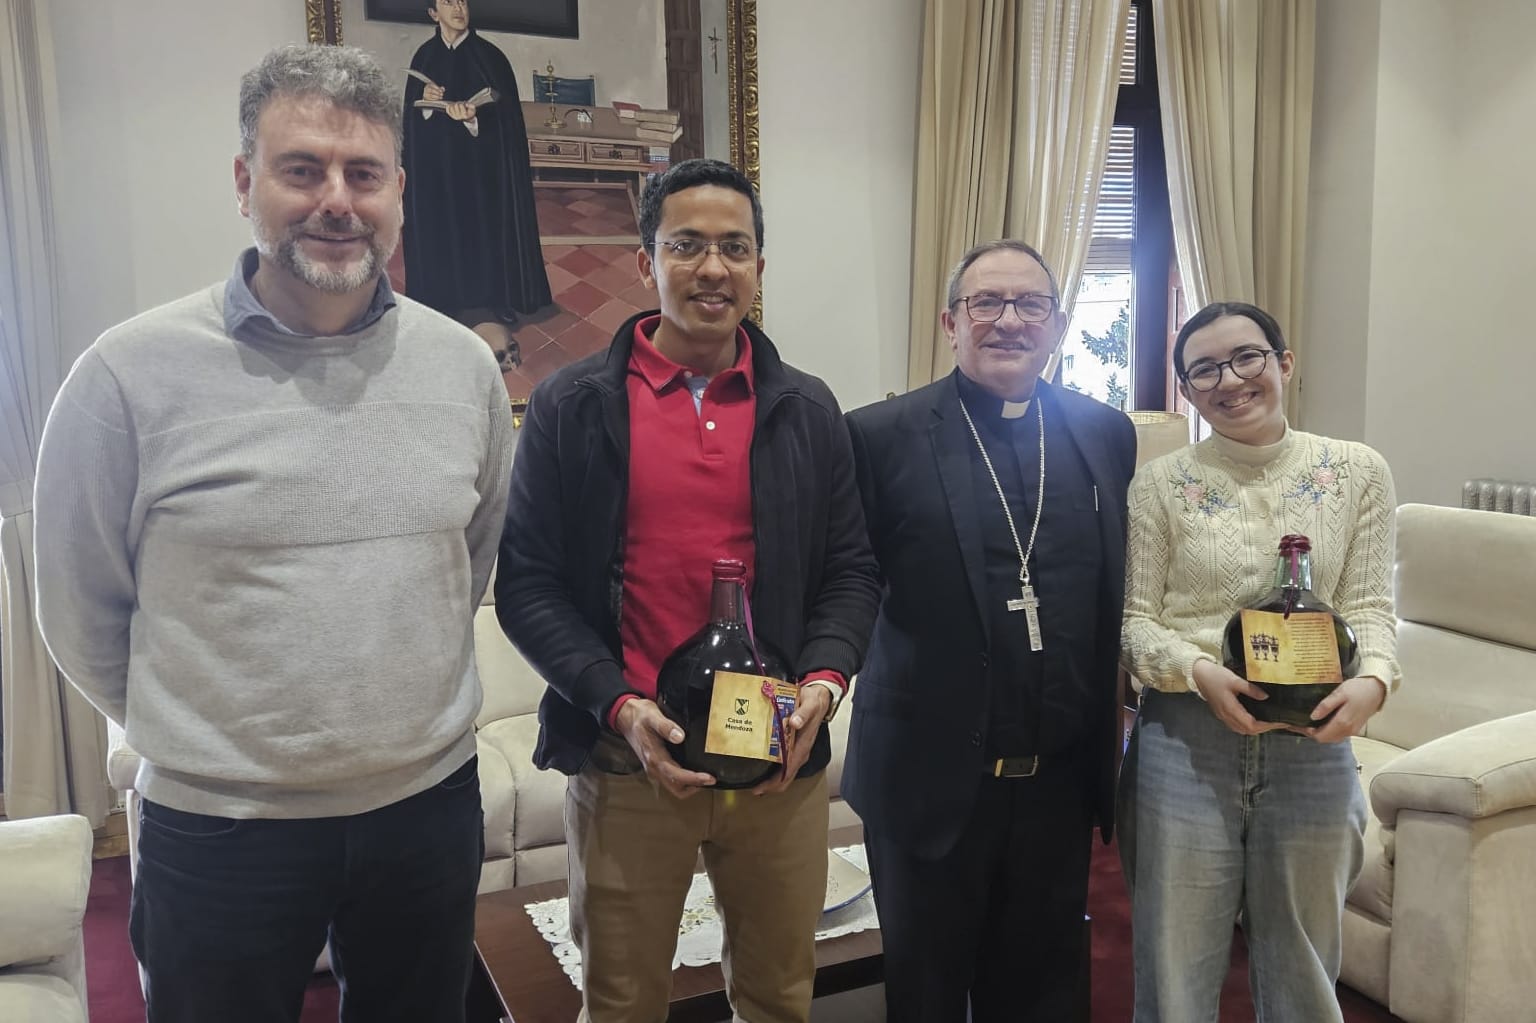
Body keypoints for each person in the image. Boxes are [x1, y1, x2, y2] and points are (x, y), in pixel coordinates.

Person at [33, 44, 513, 1023]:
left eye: (363, 174)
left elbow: (464, 565)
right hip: (219, 827)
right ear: (245, 182)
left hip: (426, 812)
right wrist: (211, 733)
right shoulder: (126, 377)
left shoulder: (462, 367)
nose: (336, 200)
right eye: (302, 170)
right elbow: (79, 606)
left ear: (399, 194)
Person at [496, 157, 880, 1022]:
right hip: (628, 760)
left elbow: (852, 571)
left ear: (759, 268)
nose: (713, 268)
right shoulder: (573, 405)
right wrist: (618, 705)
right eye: (688, 245)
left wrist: (824, 683)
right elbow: (527, 585)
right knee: (623, 1002)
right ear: (646, 262)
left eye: (735, 248)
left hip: (779, 765)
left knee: (780, 998)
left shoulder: (808, 409)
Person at [843, 240, 1136, 1021]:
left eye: (1030, 304)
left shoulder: (1105, 432)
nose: (1010, 321)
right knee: (927, 995)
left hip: (1057, 785)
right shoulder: (877, 435)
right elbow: (845, 585)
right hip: (928, 782)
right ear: (950, 321)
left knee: (1043, 994)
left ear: (1059, 322)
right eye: (987, 303)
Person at [1118, 301, 1398, 1021]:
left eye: (1247, 357)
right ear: (1186, 389)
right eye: (1204, 369)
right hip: (1185, 740)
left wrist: (1373, 680)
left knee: (1304, 963)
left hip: (1313, 741)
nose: (1230, 380)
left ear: (1284, 362)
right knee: (1175, 964)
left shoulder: (1357, 472)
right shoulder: (1160, 484)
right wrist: (1197, 671)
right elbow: (1135, 623)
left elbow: (1368, 607)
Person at [402, 0, 552, 364]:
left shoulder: (492, 58)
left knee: (485, 233)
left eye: (463, 1)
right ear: (433, 14)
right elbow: (411, 123)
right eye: (448, 2)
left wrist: (472, 119)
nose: (458, 7)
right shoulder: (423, 58)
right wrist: (425, 104)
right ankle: (443, 299)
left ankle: (496, 300)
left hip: (484, 177)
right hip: (437, 177)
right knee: (443, 233)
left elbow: (507, 127)